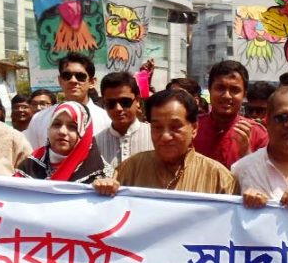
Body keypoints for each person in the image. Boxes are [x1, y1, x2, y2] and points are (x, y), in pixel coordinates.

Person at [93, 89, 238, 195]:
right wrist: (102, 192)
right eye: (157, 127)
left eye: (175, 127)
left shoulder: (220, 179)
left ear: (194, 128)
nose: (165, 136)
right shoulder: (129, 170)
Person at [25, 54, 110, 149]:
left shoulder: (106, 120)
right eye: (67, 76)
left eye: (80, 76)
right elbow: (32, 156)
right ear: (60, 80)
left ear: (92, 82)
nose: (73, 80)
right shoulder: (40, 119)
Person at [193, 60, 268, 169]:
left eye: (234, 90)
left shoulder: (258, 134)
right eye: (220, 88)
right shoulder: (192, 128)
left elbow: (264, 179)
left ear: (244, 95)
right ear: (210, 90)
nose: (227, 96)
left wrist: (247, 154)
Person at [15, 101, 109, 183]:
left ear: (83, 134)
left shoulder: (100, 174)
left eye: (72, 127)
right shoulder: (30, 166)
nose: (62, 131)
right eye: (56, 124)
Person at [93, 71, 153, 173]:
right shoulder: (95, 144)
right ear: (103, 103)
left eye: (125, 102)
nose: (118, 108)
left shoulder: (154, 135)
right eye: (111, 103)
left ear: (137, 100)